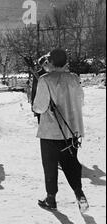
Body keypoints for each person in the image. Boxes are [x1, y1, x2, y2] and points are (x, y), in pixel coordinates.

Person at [32, 48, 89, 213]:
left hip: (51, 132)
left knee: (50, 166)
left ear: (50, 62)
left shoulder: (45, 80)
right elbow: (81, 101)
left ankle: (51, 198)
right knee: (71, 163)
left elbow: (39, 107)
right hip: (72, 131)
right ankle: (79, 193)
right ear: (65, 62)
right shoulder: (74, 79)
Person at [31, 55, 51, 124]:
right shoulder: (38, 74)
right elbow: (34, 90)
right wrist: (33, 104)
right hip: (41, 102)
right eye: (45, 62)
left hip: (52, 105)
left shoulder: (52, 74)